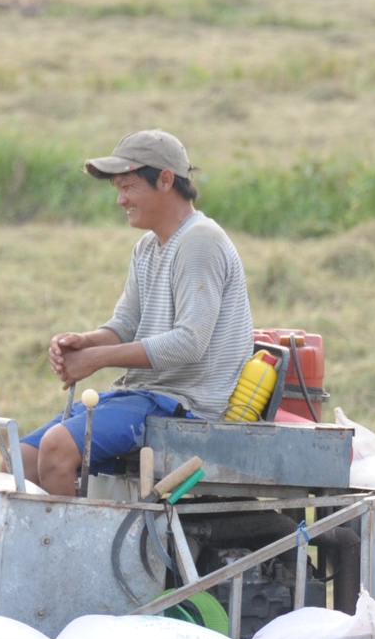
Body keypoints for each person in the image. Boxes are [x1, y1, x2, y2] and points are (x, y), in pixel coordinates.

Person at [20, 130, 254, 497]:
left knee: (56, 450)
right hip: (142, 395)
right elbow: (125, 325)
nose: (120, 200)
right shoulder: (147, 247)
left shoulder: (200, 241)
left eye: (128, 187)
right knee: (18, 460)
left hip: (182, 404)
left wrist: (98, 359)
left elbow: (191, 342)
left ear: (165, 180)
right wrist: (85, 342)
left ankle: (83, 553)